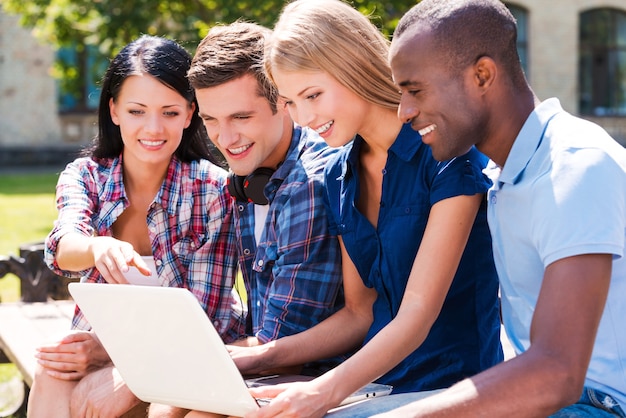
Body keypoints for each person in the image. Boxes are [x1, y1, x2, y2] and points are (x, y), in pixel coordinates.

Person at [187, 1, 502, 417]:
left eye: (313, 95)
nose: (304, 118)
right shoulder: (338, 173)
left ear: (351, 66)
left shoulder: (446, 154)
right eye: (292, 103)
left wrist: (322, 392)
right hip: (374, 386)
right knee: (193, 406)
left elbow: (416, 317)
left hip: (451, 389)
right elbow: (358, 313)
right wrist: (252, 358)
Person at [372, 0, 626, 416]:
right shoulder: (504, 175)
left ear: (482, 75)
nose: (405, 112)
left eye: (414, 90)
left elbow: (557, 372)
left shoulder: (575, 167)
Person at [27, 35, 244, 418]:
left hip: (192, 351)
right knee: (52, 369)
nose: (154, 128)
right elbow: (63, 246)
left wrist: (118, 362)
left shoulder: (213, 189)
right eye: (137, 111)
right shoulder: (87, 177)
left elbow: (204, 312)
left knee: (160, 404)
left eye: (170, 112)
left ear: (190, 113)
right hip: (103, 342)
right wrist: (97, 247)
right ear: (113, 111)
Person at [151, 20, 346, 418]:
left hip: (318, 377)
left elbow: (281, 347)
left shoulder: (304, 186)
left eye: (240, 117)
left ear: (283, 102)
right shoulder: (248, 177)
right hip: (263, 364)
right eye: (211, 120)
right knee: (164, 400)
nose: (225, 139)